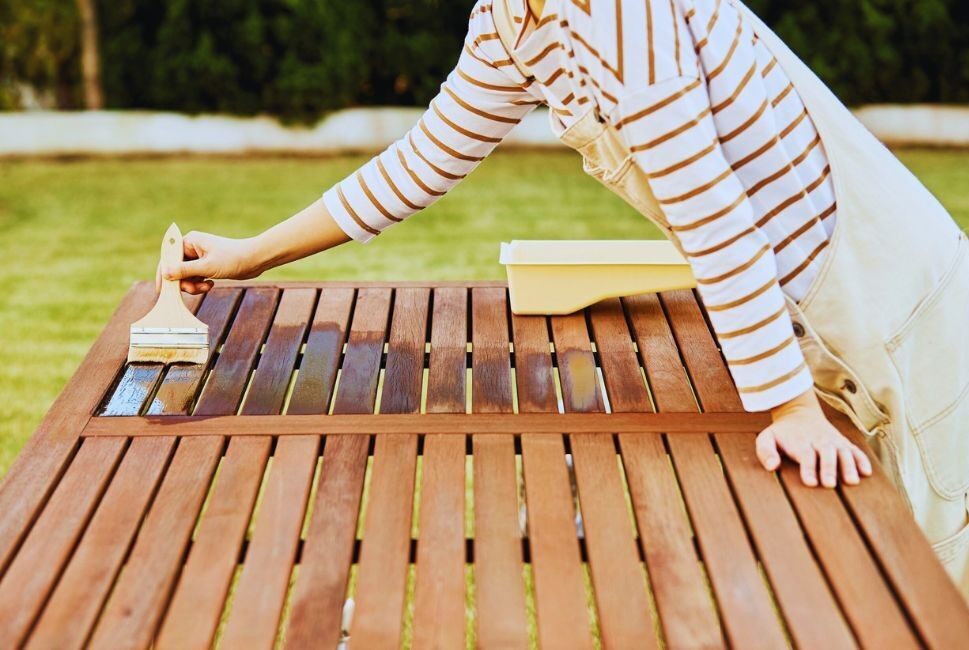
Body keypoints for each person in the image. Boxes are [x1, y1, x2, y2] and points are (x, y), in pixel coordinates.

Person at [163, 0, 969, 595]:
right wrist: (253, 255)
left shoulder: (623, 13)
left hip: (903, 313)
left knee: (941, 582)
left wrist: (787, 410)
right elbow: (421, 161)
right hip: (813, 325)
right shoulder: (514, 22)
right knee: (887, 573)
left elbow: (711, 211)